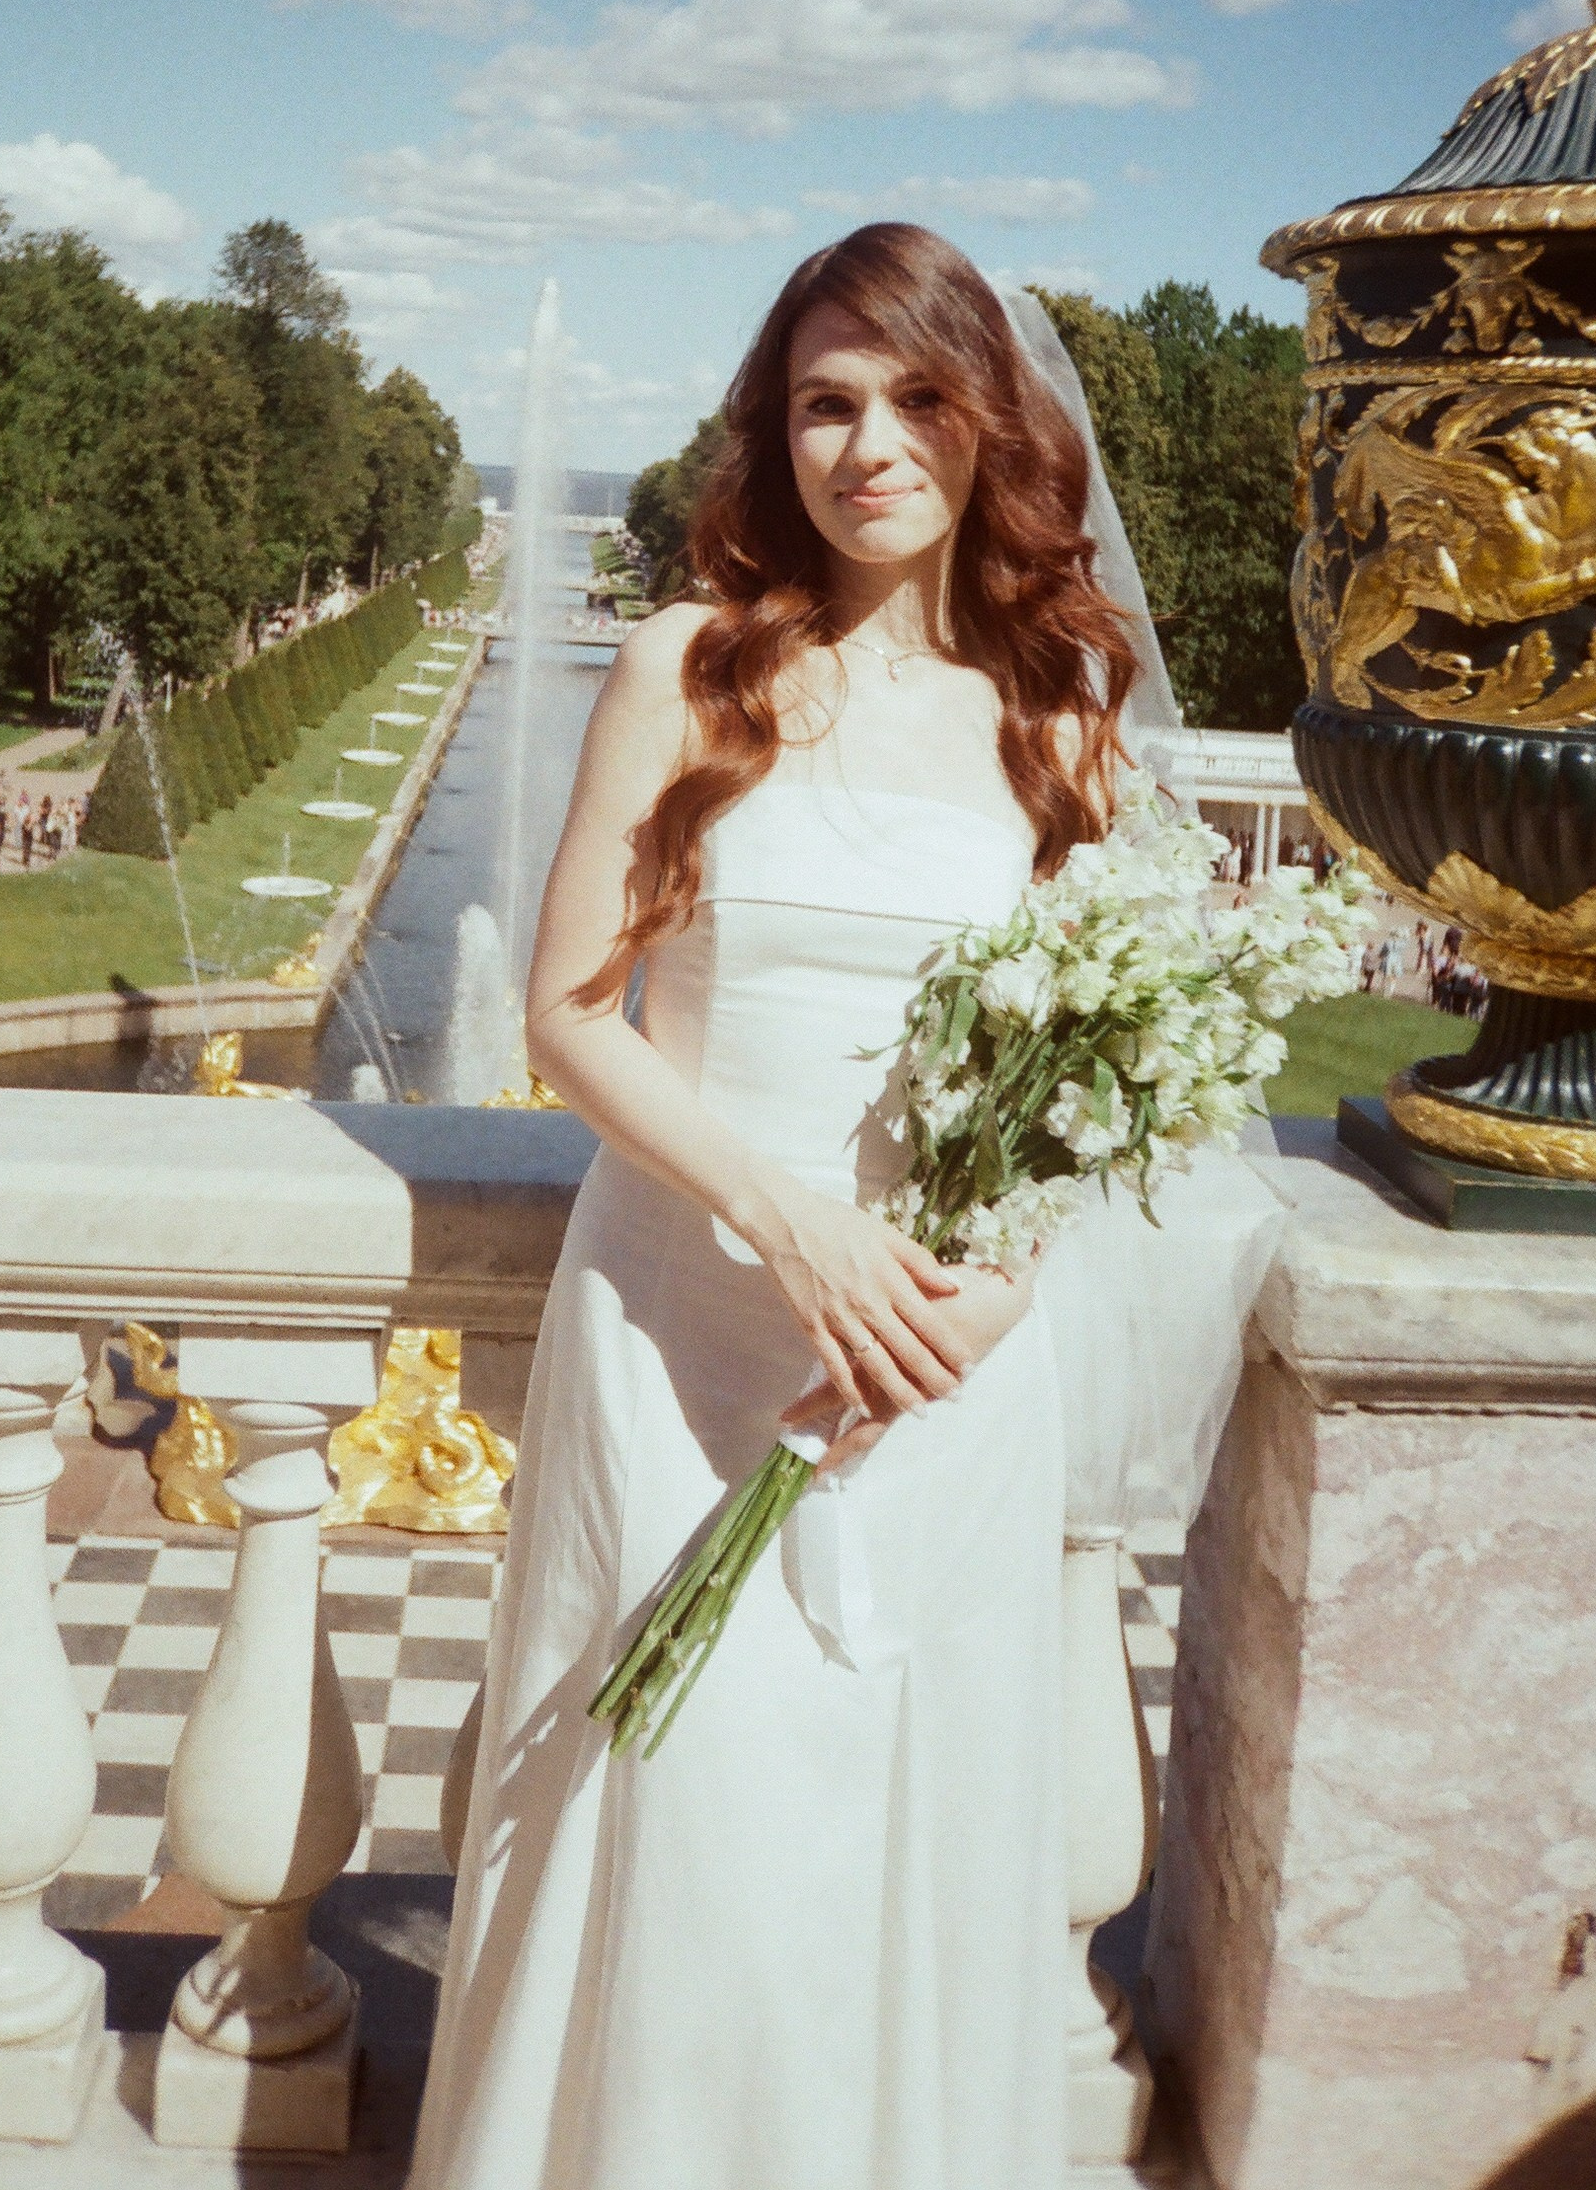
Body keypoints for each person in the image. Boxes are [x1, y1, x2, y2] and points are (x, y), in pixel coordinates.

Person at [411, 225, 1283, 2190]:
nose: (866, 445)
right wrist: (795, 1230)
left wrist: (986, 1295)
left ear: (987, 427)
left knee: (887, 1845)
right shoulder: (689, 667)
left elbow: (1098, 1080)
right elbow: (567, 1014)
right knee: (692, 1831)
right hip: (682, 1333)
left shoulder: (1058, 712)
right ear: (772, 430)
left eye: (911, 398)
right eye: (823, 402)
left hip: (937, 1369)